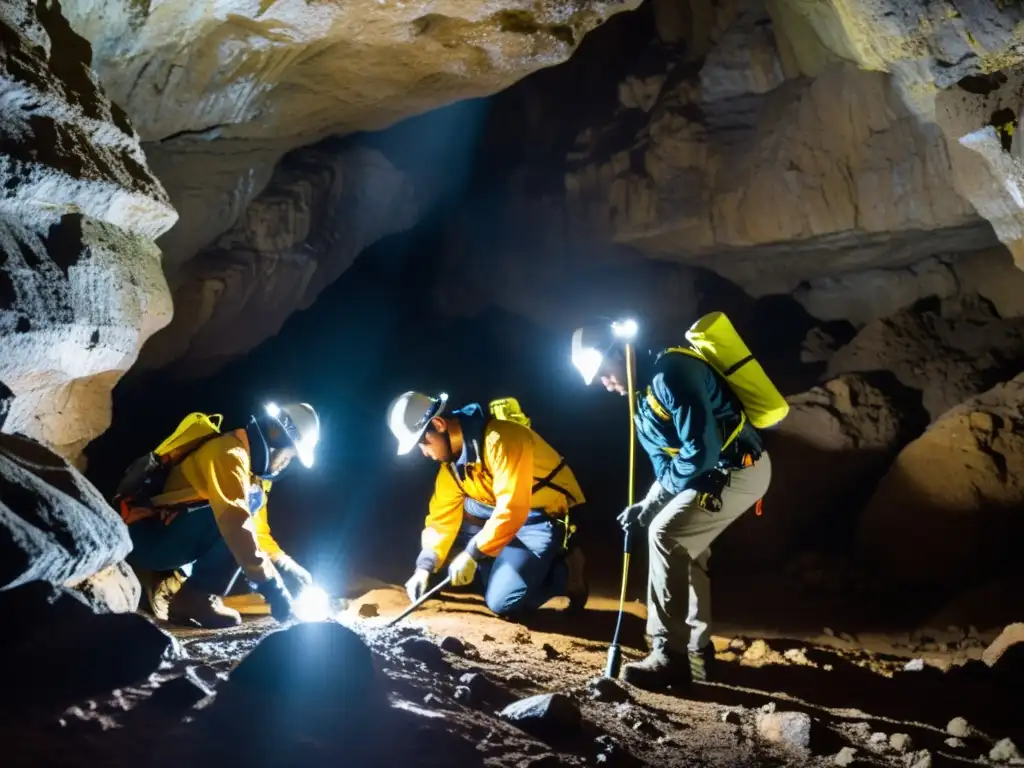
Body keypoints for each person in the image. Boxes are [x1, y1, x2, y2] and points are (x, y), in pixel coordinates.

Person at [571, 319, 772, 690]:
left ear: (619, 353)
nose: (604, 382)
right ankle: (697, 656)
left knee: (667, 535)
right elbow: (667, 468)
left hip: (740, 468)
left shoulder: (671, 374)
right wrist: (645, 506)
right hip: (712, 474)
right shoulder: (641, 400)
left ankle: (669, 656)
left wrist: (653, 508)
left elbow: (701, 453)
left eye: (604, 372)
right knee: (685, 549)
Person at [116, 402, 321, 628]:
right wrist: (273, 587)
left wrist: (287, 567)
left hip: (169, 540)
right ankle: (196, 598)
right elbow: (236, 524)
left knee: (242, 528)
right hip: (144, 539)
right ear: (277, 438)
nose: (285, 464)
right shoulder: (228, 454)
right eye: (289, 456)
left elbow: (259, 533)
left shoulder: (254, 478)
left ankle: (191, 595)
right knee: (231, 524)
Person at [386, 391, 588, 617]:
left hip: (538, 516)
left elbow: (513, 508)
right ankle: (499, 562)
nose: (424, 452)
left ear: (439, 424)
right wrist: (423, 568)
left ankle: (563, 570)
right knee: (465, 509)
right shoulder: (452, 468)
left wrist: (472, 553)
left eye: (424, 442)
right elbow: (440, 521)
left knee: (501, 603)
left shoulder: (501, 440)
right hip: (501, 512)